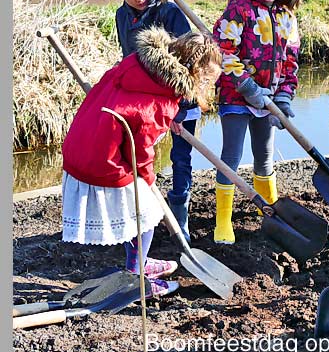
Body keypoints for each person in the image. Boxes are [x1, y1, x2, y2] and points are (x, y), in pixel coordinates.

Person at [61, 28, 222, 297]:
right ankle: (137, 276)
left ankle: (140, 261)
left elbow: (130, 111)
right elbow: (141, 151)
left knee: (136, 210)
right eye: (206, 81)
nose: (206, 88)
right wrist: (147, 181)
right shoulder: (160, 104)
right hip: (102, 160)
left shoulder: (139, 64)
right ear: (192, 72)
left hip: (82, 144)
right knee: (145, 212)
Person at [104, 0, 198, 243]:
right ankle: (142, 220)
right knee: (137, 158)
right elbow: (128, 60)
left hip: (180, 99)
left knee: (181, 158)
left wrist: (175, 107)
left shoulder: (170, 13)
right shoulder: (122, 16)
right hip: (145, 104)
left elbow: (189, 64)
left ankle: (180, 222)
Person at [211, 0, 301, 244]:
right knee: (231, 157)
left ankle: (271, 213)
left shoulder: (287, 16)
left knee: (264, 157)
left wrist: (284, 98)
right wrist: (247, 88)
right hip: (237, 95)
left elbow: (291, 61)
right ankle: (223, 222)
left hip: (268, 98)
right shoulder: (240, 7)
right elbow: (223, 51)